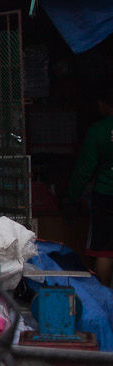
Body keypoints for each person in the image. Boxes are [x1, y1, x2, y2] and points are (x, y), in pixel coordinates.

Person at [69, 94, 113, 286]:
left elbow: (83, 171)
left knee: (105, 252)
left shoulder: (98, 130)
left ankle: (103, 303)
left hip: (106, 196)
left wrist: (71, 199)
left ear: (103, 104)